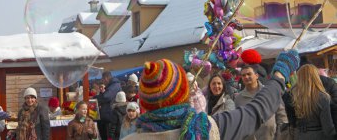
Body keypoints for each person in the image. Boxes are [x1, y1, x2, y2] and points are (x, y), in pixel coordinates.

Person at [123, 49, 300, 140]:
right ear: (183, 95)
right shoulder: (208, 128)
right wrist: (279, 75)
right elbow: (256, 111)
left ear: (144, 103)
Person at [282, 64, 336, 139]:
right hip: (319, 136)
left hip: (300, 135)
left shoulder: (293, 97)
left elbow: (291, 122)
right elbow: (327, 128)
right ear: (316, 76)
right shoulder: (323, 97)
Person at [234, 64, 288, 140]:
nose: (246, 77)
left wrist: (280, 136)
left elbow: (282, 117)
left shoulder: (270, 92)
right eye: (243, 75)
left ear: (256, 76)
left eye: (249, 74)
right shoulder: (238, 99)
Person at [96, 71, 122, 140]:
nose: (103, 81)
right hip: (106, 116)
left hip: (110, 116)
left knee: (108, 136)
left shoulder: (115, 85)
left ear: (106, 78)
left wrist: (95, 98)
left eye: (103, 79)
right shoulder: (111, 86)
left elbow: (106, 97)